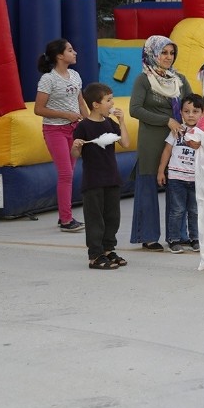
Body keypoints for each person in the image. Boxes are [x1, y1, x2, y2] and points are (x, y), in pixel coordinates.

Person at [129, 35, 192, 252]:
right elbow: (134, 109)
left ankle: (179, 235)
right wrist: (166, 120)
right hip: (151, 141)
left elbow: (192, 105)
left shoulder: (180, 79)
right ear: (152, 54)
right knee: (148, 187)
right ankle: (148, 236)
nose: (168, 57)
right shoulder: (143, 79)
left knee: (179, 187)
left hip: (178, 143)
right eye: (164, 52)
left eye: (171, 53)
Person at [71, 83, 130, 270]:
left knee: (112, 217)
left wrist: (121, 122)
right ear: (96, 104)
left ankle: (108, 249)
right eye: (108, 100)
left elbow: (126, 144)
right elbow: (74, 155)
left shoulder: (110, 123)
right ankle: (95, 255)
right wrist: (76, 146)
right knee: (95, 218)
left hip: (112, 177)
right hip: (93, 181)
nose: (112, 103)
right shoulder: (84, 127)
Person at [34, 39, 88, 232]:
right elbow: (39, 109)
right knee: (65, 173)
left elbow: (81, 102)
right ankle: (66, 219)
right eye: (70, 50)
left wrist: (89, 123)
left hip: (73, 130)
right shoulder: (48, 79)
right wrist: (66, 115)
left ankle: (64, 215)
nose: (75, 53)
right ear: (59, 55)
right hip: (55, 130)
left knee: (70, 173)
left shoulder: (75, 75)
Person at [157, 94, 204, 255]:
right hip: (176, 177)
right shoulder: (177, 131)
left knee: (195, 210)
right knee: (177, 210)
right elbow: (167, 150)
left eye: (195, 111)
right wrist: (161, 171)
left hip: (196, 178)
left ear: (202, 113)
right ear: (181, 113)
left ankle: (195, 239)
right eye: (187, 111)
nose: (191, 114)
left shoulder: (202, 134)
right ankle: (174, 240)